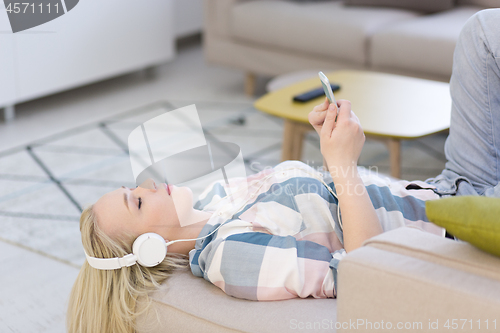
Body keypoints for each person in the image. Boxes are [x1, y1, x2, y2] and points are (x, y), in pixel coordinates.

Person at [67, 9, 500, 333]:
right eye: (137, 200)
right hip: (456, 228)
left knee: (481, 30)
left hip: (448, 187)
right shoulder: (231, 255)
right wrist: (342, 162)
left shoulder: (215, 204)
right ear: (149, 250)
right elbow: (366, 272)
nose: (146, 184)